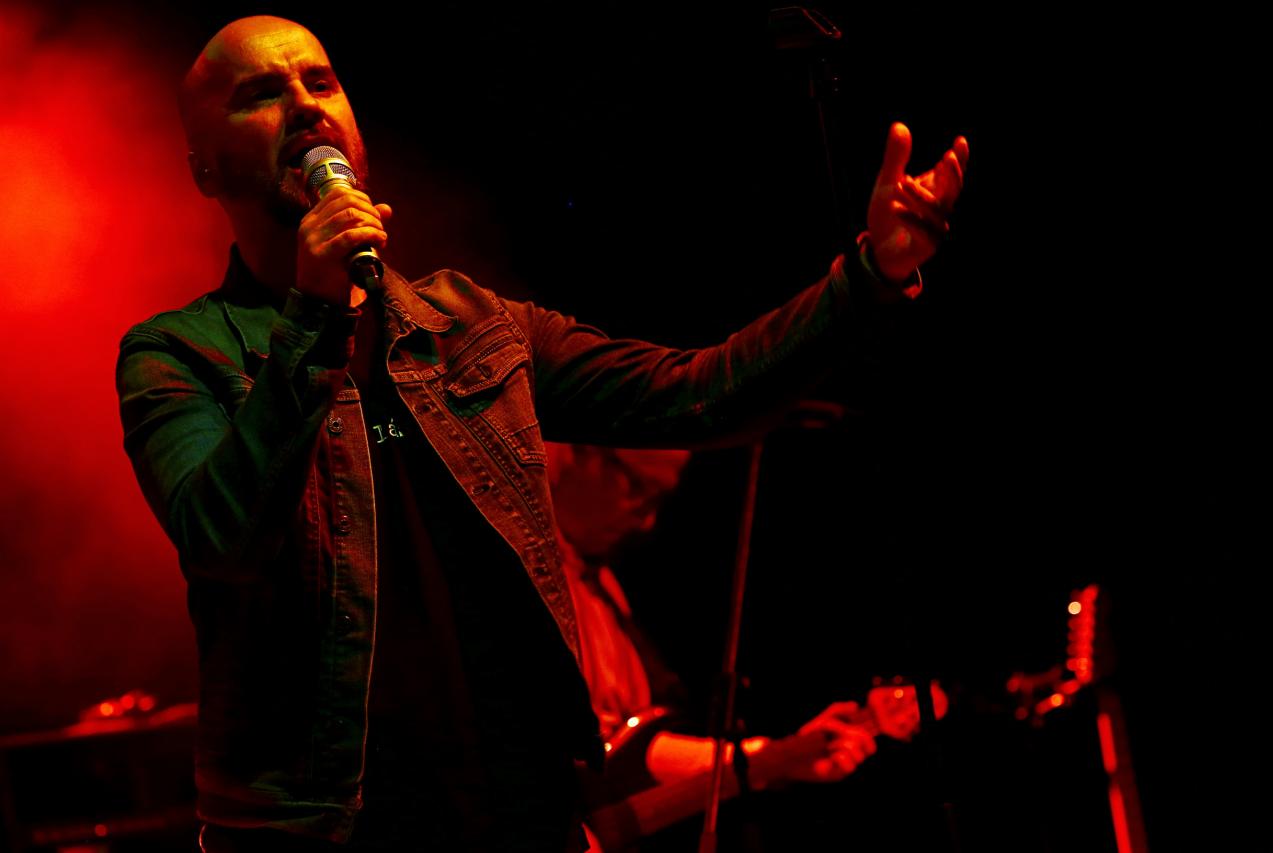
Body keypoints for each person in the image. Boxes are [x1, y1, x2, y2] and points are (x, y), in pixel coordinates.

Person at [114, 14, 967, 853]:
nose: (305, 105)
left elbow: (700, 394)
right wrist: (312, 313)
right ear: (203, 166)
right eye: (262, 94)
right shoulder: (178, 354)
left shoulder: (473, 324)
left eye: (321, 82)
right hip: (321, 829)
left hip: (522, 814)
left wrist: (870, 275)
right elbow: (222, 536)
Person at [547, 442, 881, 849]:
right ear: (575, 454)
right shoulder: (527, 578)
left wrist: (780, 757)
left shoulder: (603, 586)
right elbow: (592, 755)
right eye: (638, 489)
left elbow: (625, 753)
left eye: (658, 500)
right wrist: (767, 758)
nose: (648, 521)